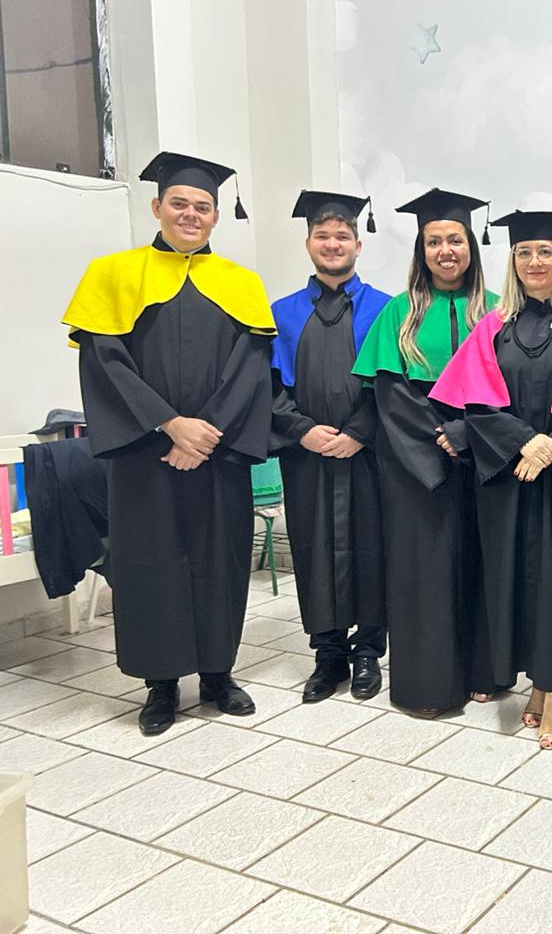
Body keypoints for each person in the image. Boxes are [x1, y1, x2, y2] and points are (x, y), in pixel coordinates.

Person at [62, 151, 274, 734]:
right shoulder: (113, 273)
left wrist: (204, 433)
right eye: (179, 203)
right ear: (157, 207)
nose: (190, 214)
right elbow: (105, 364)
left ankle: (218, 675)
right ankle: (160, 686)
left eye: (202, 206)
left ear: (216, 217)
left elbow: (251, 368)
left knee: (219, 559)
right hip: (143, 452)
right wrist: (168, 424)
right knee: (150, 563)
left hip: (217, 453)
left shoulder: (241, 283)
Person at [430, 209, 552, 749]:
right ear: (513, 261)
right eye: (524, 252)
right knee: (512, 580)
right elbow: (474, 401)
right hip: (508, 473)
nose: (535, 261)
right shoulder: (493, 325)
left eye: (545, 251)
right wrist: (523, 440)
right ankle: (534, 681)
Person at [351, 188, 498, 716]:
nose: (445, 250)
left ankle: (485, 671)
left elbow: (511, 390)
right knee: (424, 570)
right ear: (422, 251)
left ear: (470, 247)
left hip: (484, 457)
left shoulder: (497, 310)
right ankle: (427, 686)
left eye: (455, 240)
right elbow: (390, 396)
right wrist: (441, 441)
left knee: (483, 563)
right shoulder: (400, 313)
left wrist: (471, 435)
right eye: (434, 242)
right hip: (415, 465)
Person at [270, 191, 390, 703]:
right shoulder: (282, 313)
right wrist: (302, 430)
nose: (333, 243)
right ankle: (328, 655)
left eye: (342, 236)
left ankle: (368, 651)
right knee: (313, 547)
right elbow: (268, 386)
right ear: (308, 243)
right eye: (323, 235)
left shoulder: (386, 309)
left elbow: (393, 384)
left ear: (358, 246)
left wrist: (360, 432)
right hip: (308, 455)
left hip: (370, 454)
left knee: (372, 545)